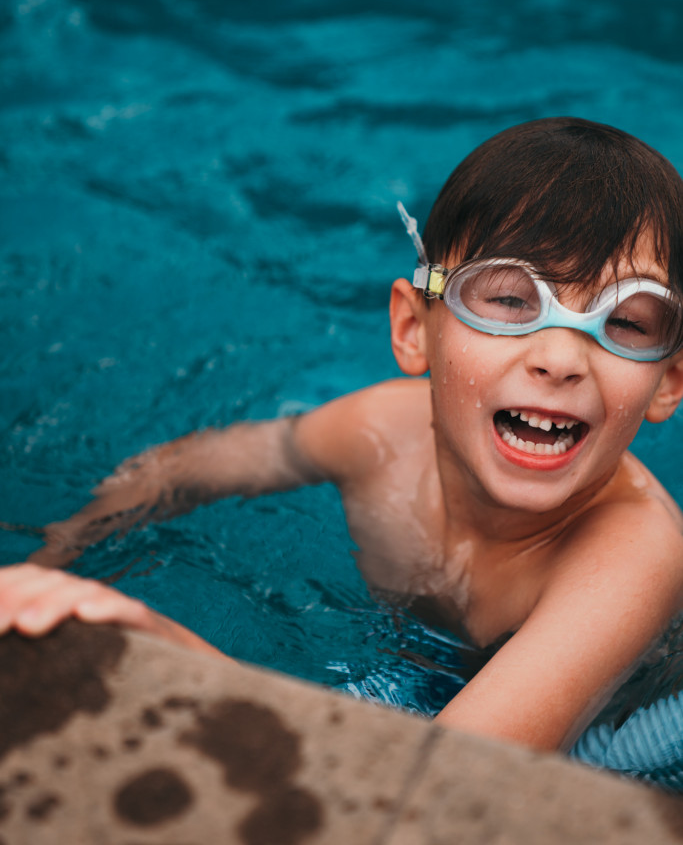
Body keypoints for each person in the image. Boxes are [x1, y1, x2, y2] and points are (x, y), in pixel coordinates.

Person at [3, 116, 683, 756]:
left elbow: (429, 790)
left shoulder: (632, 559)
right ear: (412, 329)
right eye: (508, 299)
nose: (560, 359)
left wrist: (162, 645)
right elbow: (187, 468)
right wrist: (58, 557)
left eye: (625, 321)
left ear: (668, 381)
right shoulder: (382, 431)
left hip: (614, 743)